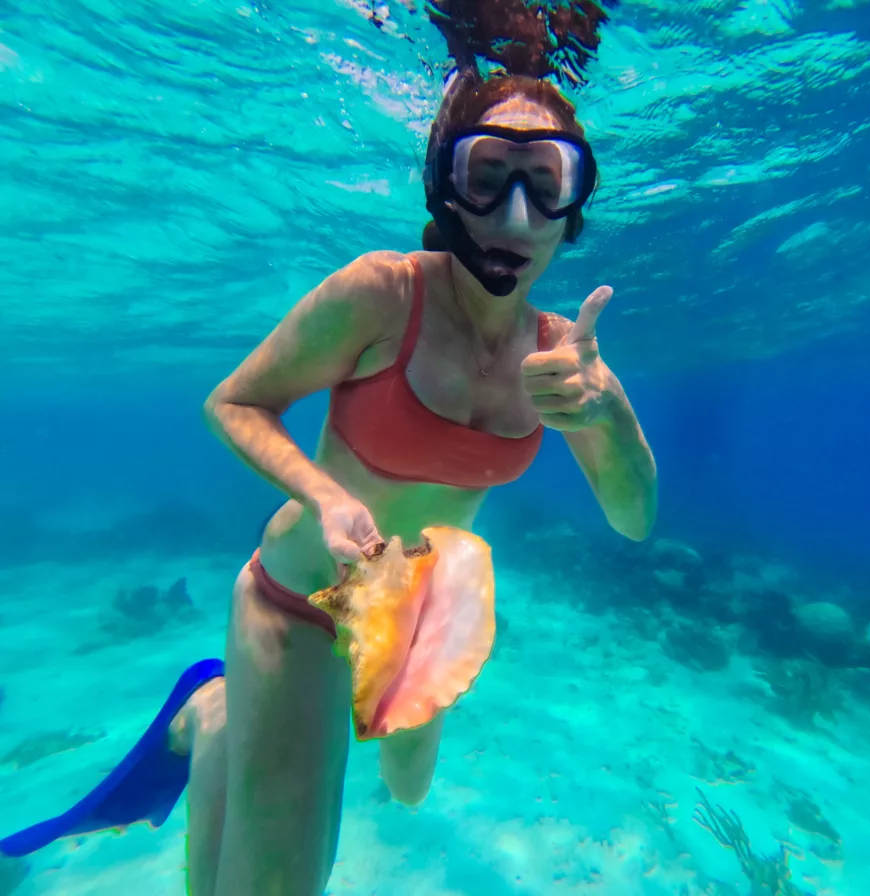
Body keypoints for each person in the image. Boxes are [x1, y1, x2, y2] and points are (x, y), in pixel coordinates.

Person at [0, 3, 656, 894]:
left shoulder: (563, 361)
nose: (516, 211)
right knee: (275, 883)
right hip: (302, 604)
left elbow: (633, 519)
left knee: (409, 788)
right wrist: (325, 494)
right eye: (488, 173)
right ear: (444, 186)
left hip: (414, 614)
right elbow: (232, 403)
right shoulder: (382, 296)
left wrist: (603, 413)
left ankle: (217, 715)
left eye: (546, 181)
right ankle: (221, 704)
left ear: (573, 210)